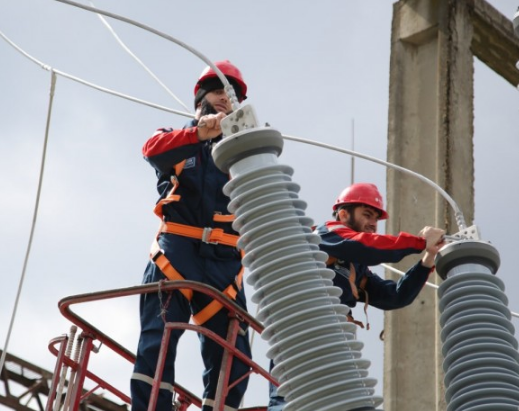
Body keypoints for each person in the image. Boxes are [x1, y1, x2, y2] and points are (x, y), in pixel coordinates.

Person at [131, 60, 252, 411]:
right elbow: (152, 151)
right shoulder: (177, 141)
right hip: (177, 256)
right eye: (218, 91)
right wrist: (199, 133)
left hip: (224, 267)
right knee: (159, 342)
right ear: (201, 97)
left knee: (236, 361)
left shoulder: (243, 157)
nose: (225, 100)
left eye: (232, 96)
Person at [268, 182, 446, 410]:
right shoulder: (326, 235)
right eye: (367, 215)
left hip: (333, 342)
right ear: (343, 214)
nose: (373, 224)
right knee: (289, 401)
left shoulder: (356, 268)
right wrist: (419, 242)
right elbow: (364, 246)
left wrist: (427, 259)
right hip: (298, 333)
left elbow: (395, 296)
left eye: (375, 218)